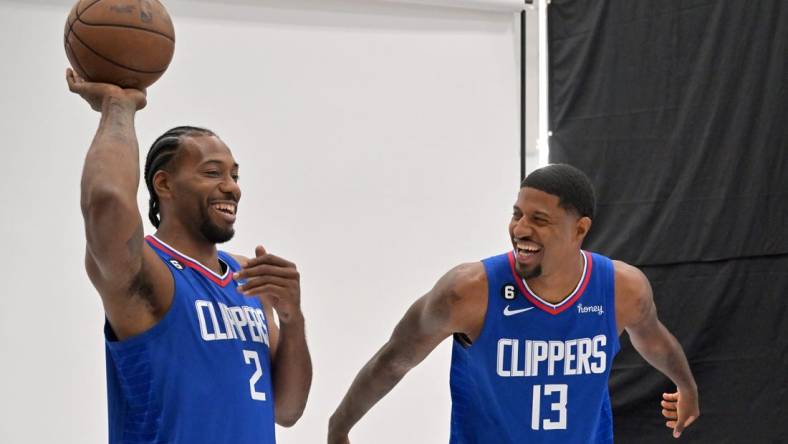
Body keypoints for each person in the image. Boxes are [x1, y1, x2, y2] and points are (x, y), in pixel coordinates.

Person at [328, 164, 699, 443]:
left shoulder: (621, 289)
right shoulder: (467, 291)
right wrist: (339, 425)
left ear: (580, 229)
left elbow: (652, 338)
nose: (521, 229)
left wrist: (685, 385)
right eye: (517, 214)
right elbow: (395, 359)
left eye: (539, 220)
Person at [67, 68, 312, 443]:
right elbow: (107, 200)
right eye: (212, 173)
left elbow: (288, 410)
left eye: (234, 175)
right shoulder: (147, 271)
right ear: (163, 184)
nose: (231, 187)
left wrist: (292, 319)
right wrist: (119, 108)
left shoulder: (249, 277)